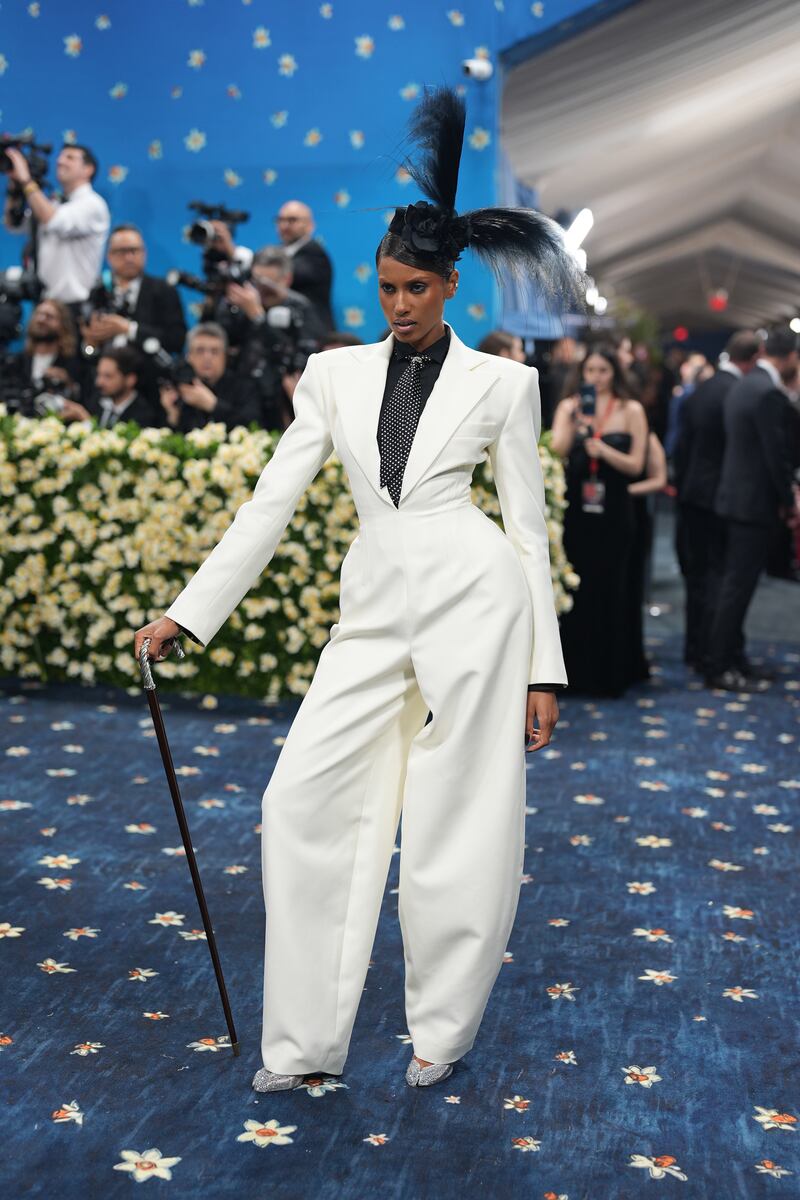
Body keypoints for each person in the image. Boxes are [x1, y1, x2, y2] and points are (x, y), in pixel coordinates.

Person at [134, 85, 582, 1095]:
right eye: (386, 287)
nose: (399, 304)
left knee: (457, 820)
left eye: (416, 287)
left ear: (451, 283)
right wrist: (188, 614)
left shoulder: (506, 385)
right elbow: (268, 504)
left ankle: (440, 1033)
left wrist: (541, 671)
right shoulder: (330, 378)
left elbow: (526, 531)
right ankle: (301, 1048)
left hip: (478, 605)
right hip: (371, 611)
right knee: (297, 801)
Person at [550, 345, 649, 696]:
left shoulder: (631, 409)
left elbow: (636, 465)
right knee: (578, 587)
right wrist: (572, 421)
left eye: (603, 370)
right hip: (577, 510)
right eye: (590, 370)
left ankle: (611, 673)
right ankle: (574, 672)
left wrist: (602, 448)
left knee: (612, 586)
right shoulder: (570, 406)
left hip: (616, 510)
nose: (596, 377)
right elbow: (556, 451)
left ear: (615, 373)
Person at [705, 327, 800, 691]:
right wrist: (789, 501)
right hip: (752, 504)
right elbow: (775, 456)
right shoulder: (767, 392)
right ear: (790, 357)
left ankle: (733, 659)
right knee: (737, 589)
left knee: (733, 586)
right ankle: (721, 666)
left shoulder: (746, 384)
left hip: (735, 498)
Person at [673, 331, 762, 674]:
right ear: (754, 357)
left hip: (691, 494)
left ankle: (695, 650)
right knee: (717, 579)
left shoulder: (703, 388)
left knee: (698, 579)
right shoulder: (736, 393)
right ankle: (713, 653)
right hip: (719, 499)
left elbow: (683, 447)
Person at [3, 142, 110, 307]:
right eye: (60, 157)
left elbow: (54, 220)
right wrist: (14, 187)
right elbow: (14, 224)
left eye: (70, 158)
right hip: (45, 302)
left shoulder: (93, 204)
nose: (60, 161)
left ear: (88, 169)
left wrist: (26, 181)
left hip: (75, 306)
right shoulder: (53, 203)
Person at [158, 323, 260, 433]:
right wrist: (173, 416)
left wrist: (213, 405)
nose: (207, 357)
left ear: (225, 357)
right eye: (200, 351)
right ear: (189, 356)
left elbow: (253, 427)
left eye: (214, 351)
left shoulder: (245, 387)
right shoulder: (179, 388)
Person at [61, 345, 159, 428]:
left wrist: (85, 418)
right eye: (99, 374)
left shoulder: (143, 414)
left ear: (130, 380)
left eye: (108, 376)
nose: (99, 382)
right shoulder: (96, 400)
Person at [275, 199, 334, 329]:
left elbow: (285, 274)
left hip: (312, 331)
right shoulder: (278, 252)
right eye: (280, 220)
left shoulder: (315, 254)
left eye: (292, 220)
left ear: (310, 225)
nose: (284, 225)